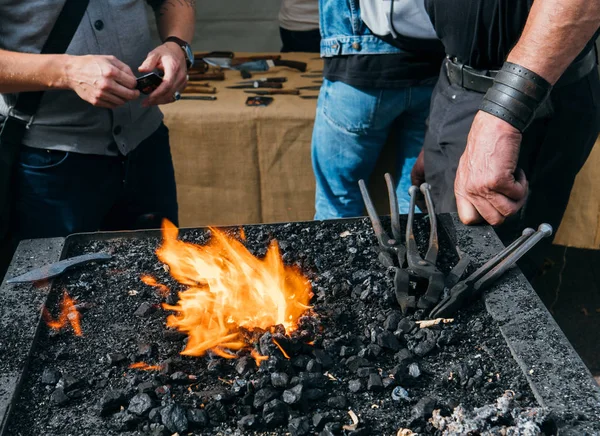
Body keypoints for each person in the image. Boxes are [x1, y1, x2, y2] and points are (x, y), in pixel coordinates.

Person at [0, 0, 195, 278]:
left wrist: (177, 43)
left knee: (160, 284)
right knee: (55, 306)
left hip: (146, 146)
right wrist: (66, 72)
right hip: (47, 166)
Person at [412, 0, 600, 276]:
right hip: (455, 87)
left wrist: (503, 117)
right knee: (444, 257)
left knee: (485, 277)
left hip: (527, 105)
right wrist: (440, 129)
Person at [312, 0, 444, 219]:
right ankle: (412, 252)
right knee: (414, 197)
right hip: (432, 69)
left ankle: (343, 252)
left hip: (359, 67)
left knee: (338, 203)